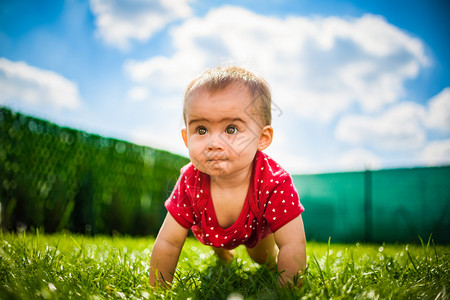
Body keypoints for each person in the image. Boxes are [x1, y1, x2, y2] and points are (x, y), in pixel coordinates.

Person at [149, 66, 306, 287]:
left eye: (231, 129)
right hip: (212, 230)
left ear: (262, 138)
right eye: (201, 130)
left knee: (263, 258)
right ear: (186, 138)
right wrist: (157, 290)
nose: (214, 144)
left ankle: (264, 260)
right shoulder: (190, 180)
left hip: (256, 231)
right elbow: (168, 242)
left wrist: (287, 290)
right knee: (219, 245)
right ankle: (222, 254)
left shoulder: (274, 181)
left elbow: (293, 243)